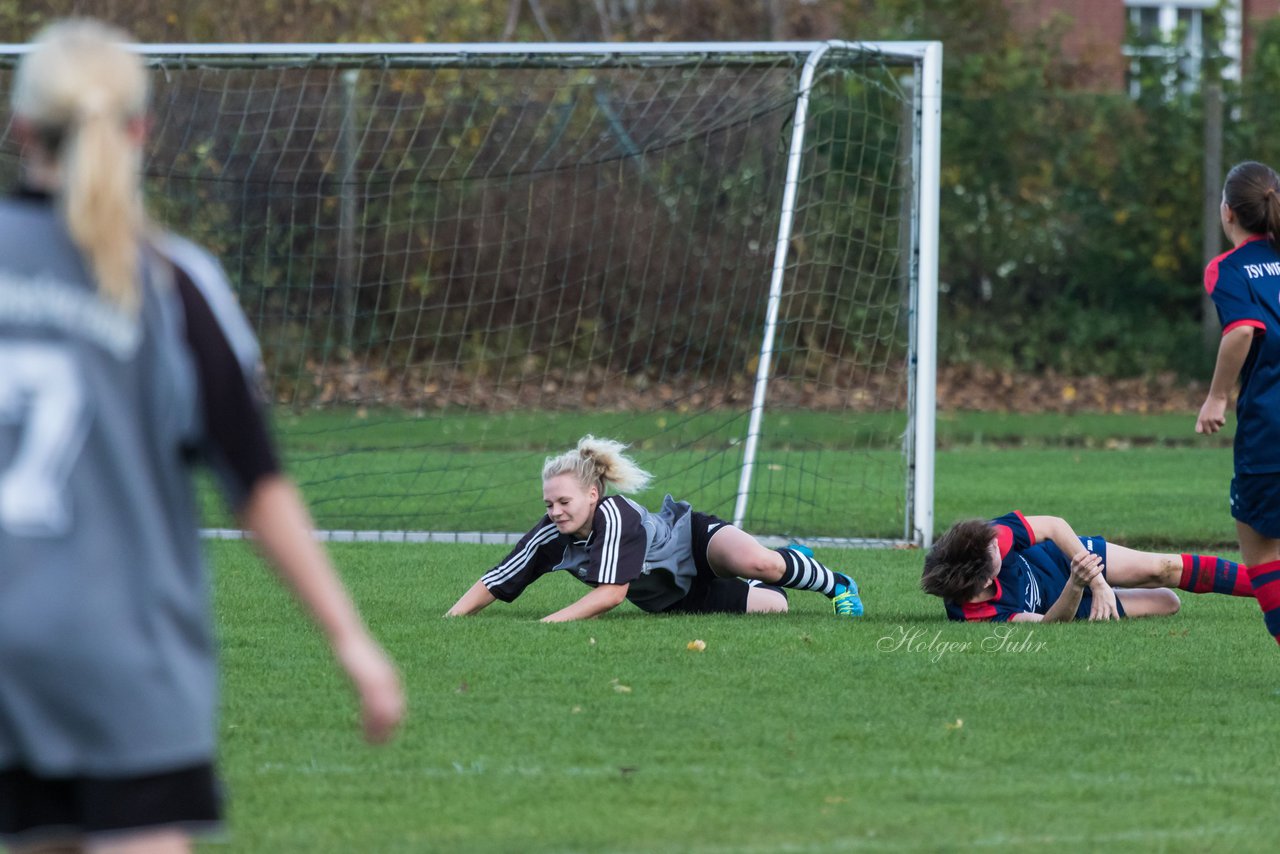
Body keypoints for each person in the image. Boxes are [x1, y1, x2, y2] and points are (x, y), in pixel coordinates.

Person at [0, 20, 404, 853]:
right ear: (141, 130)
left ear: (19, 128)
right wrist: (350, 639)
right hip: (124, 652)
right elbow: (255, 481)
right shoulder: (170, 282)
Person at [446, 435, 863, 621]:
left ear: (593, 494)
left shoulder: (616, 513)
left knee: (760, 562)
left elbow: (611, 595)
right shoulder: (552, 532)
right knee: (778, 606)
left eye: (564, 501)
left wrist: (550, 623)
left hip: (694, 542)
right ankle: (788, 566)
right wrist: (452, 618)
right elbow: (500, 577)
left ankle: (837, 584)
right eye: (549, 503)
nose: (554, 511)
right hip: (675, 597)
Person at [1196, 159, 1280, 645]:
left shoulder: (1228, 268)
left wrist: (1215, 398)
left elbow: (1243, 330)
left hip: (1269, 431)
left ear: (1227, 212)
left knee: (1261, 554)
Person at [921, 511, 1252, 623]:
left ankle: (1268, 587)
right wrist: (1080, 586)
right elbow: (1049, 623)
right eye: (992, 549)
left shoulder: (988, 538)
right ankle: (1109, 589)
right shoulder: (977, 613)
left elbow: (1054, 526)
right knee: (1168, 602)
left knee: (1162, 568)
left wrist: (1097, 580)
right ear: (984, 577)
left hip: (1063, 557)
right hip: (1068, 602)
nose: (997, 541)